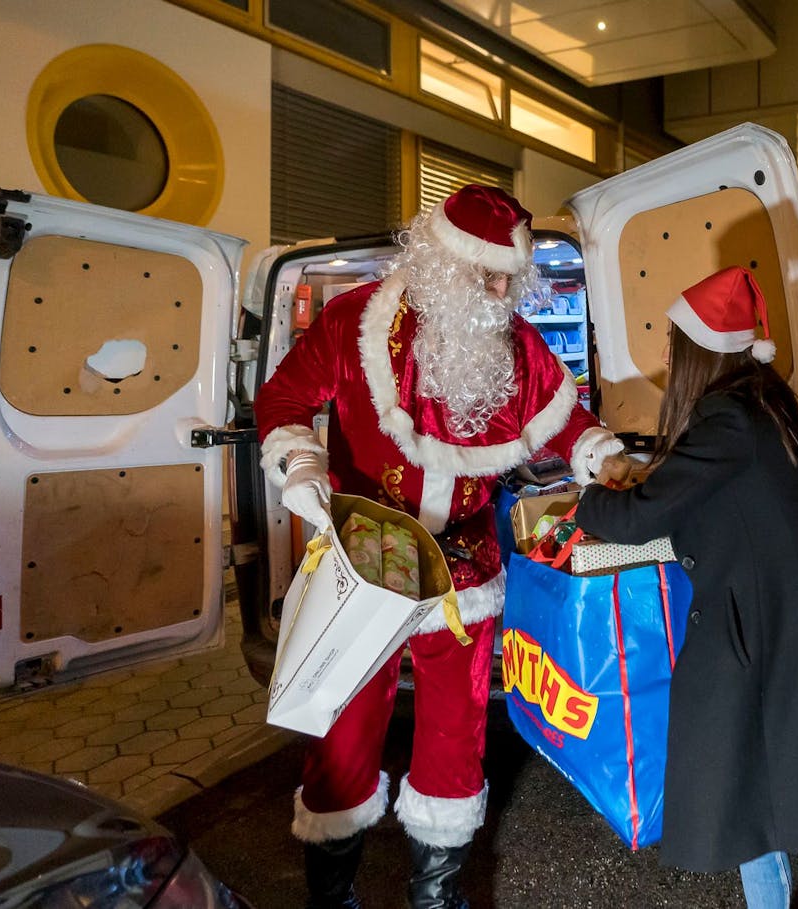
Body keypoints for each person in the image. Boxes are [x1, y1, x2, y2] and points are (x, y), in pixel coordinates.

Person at [255, 184, 623, 909]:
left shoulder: (514, 347)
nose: (495, 290)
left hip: (465, 569)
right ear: (438, 261)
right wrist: (299, 462)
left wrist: (602, 454)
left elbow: (563, 415)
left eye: (506, 277)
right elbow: (284, 399)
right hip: (367, 564)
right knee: (344, 730)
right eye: (482, 273)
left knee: (456, 737)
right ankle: (331, 897)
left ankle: (437, 897)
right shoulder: (356, 322)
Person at [575, 266, 798, 908]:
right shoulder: (752, 405)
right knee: (752, 835)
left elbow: (639, 516)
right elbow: (704, 507)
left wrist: (585, 488)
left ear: (700, 351)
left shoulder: (730, 419)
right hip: (768, 649)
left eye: (674, 341)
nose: (666, 353)